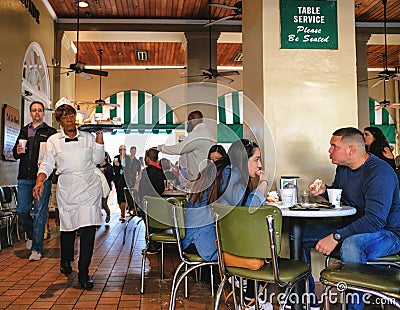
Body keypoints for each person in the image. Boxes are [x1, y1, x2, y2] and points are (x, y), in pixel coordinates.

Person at [303, 127, 400, 310]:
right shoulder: (343, 168)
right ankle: (308, 301)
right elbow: (344, 200)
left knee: (352, 245)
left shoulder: (379, 172)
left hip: (388, 233)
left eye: (334, 146)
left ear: (351, 150)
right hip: (354, 226)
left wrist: (337, 236)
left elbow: (374, 221)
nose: (329, 150)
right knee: (300, 236)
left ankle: (354, 307)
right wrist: (325, 192)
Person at [182, 139, 270, 309]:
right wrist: (263, 182)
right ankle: (250, 300)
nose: (259, 165)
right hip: (203, 243)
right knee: (258, 245)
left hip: (192, 239)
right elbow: (247, 212)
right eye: (256, 159)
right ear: (244, 160)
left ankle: (249, 293)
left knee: (249, 241)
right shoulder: (232, 175)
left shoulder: (221, 170)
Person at [33, 103, 108, 289]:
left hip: (89, 186)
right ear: (59, 121)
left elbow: (98, 160)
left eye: (72, 115)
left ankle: (84, 273)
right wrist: (39, 181)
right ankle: (66, 260)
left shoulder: (88, 136)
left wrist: (99, 136)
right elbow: (47, 164)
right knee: (68, 229)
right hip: (67, 188)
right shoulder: (53, 140)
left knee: (88, 229)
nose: (70, 119)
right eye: (65, 117)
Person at [12, 101, 57, 261]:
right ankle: (31, 236)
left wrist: (47, 163)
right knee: (22, 210)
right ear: (30, 113)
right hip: (24, 177)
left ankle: (37, 249)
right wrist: (17, 151)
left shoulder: (51, 132)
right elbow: (15, 154)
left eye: (39, 110)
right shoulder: (24, 131)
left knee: (39, 213)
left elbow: (56, 154)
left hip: (42, 178)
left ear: (43, 113)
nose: (36, 113)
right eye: (34, 110)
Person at [157, 110, 216, 186]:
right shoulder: (206, 132)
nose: (187, 124)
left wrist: (160, 148)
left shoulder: (198, 134)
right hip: (205, 177)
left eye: (189, 121)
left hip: (199, 180)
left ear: (193, 120)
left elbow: (180, 149)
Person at [138, 148, 166, 253]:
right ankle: (157, 242)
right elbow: (161, 189)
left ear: (147, 159)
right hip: (159, 208)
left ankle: (152, 243)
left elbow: (141, 190)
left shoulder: (145, 172)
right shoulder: (161, 172)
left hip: (146, 206)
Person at [97, 152, 113, 223]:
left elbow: (111, 178)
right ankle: (98, 219)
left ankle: (108, 214)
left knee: (104, 204)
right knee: (97, 204)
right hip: (97, 188)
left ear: (106, 157)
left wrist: (105, 173)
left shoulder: (109, 166)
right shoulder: (96, 166)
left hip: (105, 187)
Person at [113, 145, 128, 222]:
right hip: (118, 180)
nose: (122, 151)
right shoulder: (116, 157)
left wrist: (120, 166)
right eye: (121, 149)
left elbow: (127, 169)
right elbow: (115, 167)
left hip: (126, 180)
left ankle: (123, 213)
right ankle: (122, 212)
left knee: (124, 196)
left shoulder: (128, 158)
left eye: (124, 149)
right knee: (119, 196)